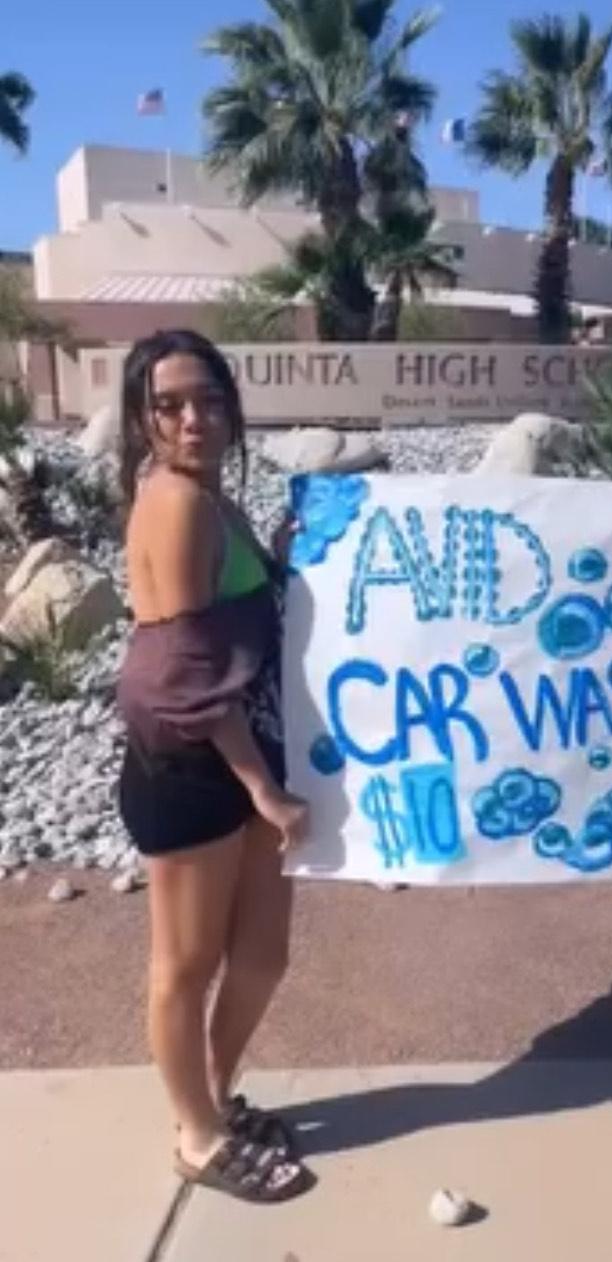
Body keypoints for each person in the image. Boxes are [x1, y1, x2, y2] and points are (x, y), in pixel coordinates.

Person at [116, 329, 311, 1203]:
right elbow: (188, 673)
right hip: (191, 763)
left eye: (209, 400)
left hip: (242, 749)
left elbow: (233, 610)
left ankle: (214, 1096)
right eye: (170, 406)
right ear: (142, 419)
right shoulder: (175, 501)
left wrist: (278, 553)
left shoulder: (211, 497)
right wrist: (264, 788)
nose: (193, 419)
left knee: (262, 955)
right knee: (185, 966)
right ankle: (196, 1134)